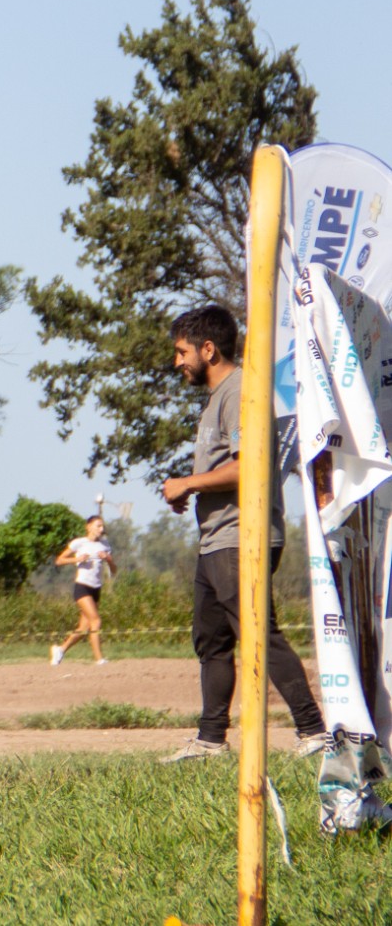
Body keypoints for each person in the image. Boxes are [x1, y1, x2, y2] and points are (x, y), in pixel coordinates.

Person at [158, 305, 327, 763]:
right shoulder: (218, 399)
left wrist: (188, 483)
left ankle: (315, 733)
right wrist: (188, 491)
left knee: (258, 635)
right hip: (216, 538)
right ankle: (211, 740)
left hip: (242, 537)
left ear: (208, 349)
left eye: (182, 352)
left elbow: (248, 464)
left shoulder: (240, 392)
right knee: (211, 640)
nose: (178, 362)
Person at [50, 514, 114, 666]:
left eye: (102, 526)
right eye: (98, 526)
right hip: (82, 586)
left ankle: (60, 649)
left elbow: (114, 570)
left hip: (96, 588)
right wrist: (77, 559)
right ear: (89, 526)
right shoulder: (79, 543)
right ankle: (99, 659)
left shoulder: (105, 545)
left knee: (84, 628)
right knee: (96, 620)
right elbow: (59, 560)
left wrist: (108, 559)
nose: (101, 529)